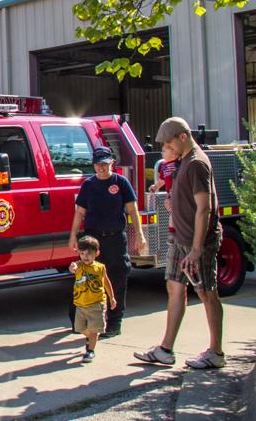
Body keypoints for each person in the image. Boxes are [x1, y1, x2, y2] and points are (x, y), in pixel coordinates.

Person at [134, 117, 225, 369]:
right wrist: (173, 202)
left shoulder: (196, 163)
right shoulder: (184, 161)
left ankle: (216, 353)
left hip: (198, 242)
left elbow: (204, 208)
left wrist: (196, 249)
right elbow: (187, 197)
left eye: (170, 142)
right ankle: (165, 349)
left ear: (183, 137)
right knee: (174, 288)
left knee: (207, 293)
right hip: (179, 237)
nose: (168, 147)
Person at [68, 146, 148, 337]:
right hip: (93, 239)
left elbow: (132, 210)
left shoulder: (121, 183)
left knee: (116, 280)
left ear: (112, 162)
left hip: (115, 239)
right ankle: (79, 322)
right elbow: (80, 212)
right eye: (98, 164)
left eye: (104, 164)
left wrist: (140, 235)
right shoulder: (88, 185)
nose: (101, 168)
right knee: (85, 279)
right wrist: (73, 235)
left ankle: (114, 324)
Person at [69, 235, 117, 362]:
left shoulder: (100, 267)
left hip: (97, 303)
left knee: (95, 329)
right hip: (80, 304)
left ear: (97, 253)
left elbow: (106, 282)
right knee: (79, 328)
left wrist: (112, 297)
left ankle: (90, 350)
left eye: (89, 254)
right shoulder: (79, 265)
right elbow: (73, 267)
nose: (85, 256)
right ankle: (91, 339)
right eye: (82, 253)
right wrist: (72, 268)